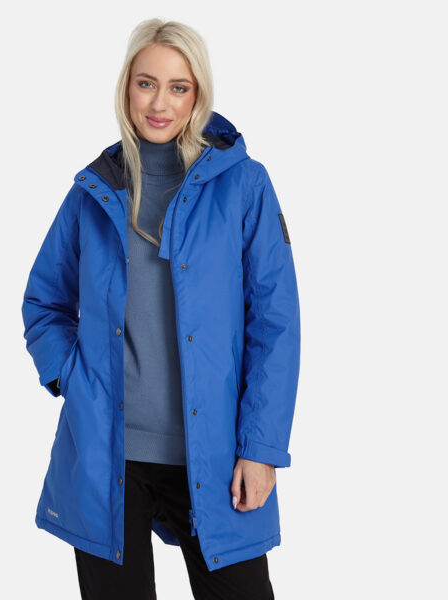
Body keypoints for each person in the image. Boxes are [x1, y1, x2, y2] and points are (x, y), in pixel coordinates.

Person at [22, 18, 301, 600]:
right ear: (127, 86)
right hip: (107, 455)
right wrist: (74, 380)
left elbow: (275, 325)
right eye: (146, 83)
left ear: (198, 94)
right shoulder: (94, 190)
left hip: (216, 456)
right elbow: (44, 301)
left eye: (179, 87)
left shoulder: (244, 186)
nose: (160, 103)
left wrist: (261, 449)